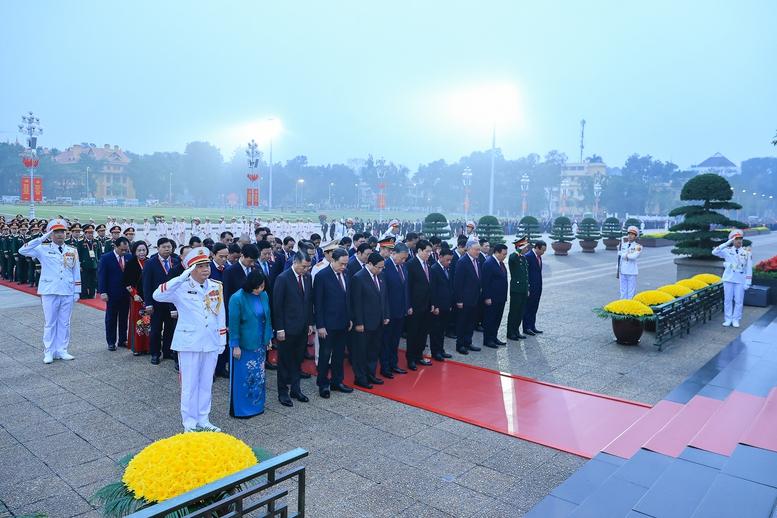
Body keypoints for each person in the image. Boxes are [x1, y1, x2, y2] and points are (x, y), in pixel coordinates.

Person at [153, 246, 225, 432]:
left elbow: (220, 313)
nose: (205, 269)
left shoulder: (216, 286)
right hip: (189, 342)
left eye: (207, 265)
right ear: (190, 269)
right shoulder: (181, 287)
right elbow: (157, 295)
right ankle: (190, 423)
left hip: (210, 340)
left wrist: (222, 339)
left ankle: (204, 419)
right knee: (189, 385)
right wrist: (180, 278)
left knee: (206, 383)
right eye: (200, 266)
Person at [19, 219, 81, 364]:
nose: (60, 235)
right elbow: (22, 250)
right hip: (49, 290)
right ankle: (49, 351)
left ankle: (62, 350)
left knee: (65, 322)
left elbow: (76, 271)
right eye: (56, 232)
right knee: (50, 322)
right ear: (50, 234)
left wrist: (77, 291)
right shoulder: (42, 248)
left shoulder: (72, 250)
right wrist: (41, 238)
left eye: (62, 232)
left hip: (66, 290)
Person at [227, 270, 272, 417]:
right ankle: (242, 409)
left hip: (260, 344)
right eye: (257, 287)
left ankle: (257, 405)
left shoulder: (264, 295)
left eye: (262, 286)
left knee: (259, 376)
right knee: (244, 377)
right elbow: (233, 324)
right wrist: (235, 345)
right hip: (244, 344)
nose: (260, 289)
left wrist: (268, 338)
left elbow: (267, 318)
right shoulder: (237, 298)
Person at [273, 252, 314, 407]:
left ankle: (296, 389)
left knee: (298, 360)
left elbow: (308, 302)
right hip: (287, 328)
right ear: (295, 262)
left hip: (302, 327)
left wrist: (309, 323)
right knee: (284, 361)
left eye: (308, 267)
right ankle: (283, 392)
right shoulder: (283, 278)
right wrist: (279, 329)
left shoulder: (307, 277)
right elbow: (277, 306)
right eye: (304, 266)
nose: (306, 269)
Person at [313, 247, 354, 398]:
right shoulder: (322, 276)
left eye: (346, 264)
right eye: (341, 264)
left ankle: (337, 381)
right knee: (325, 355)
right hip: (327, 325)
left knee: (339, 354)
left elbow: (348, 298)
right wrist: (320, 325)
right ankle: (323, 384)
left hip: (343, 322)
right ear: (333, 260)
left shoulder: (347, 273)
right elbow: (318, 303)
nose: (344, 266)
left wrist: (350, 318)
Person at [218, 244, 260, 378]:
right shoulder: (230, 271)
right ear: (242, 255)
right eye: (250, 261)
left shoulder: (255, 269)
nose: (252, 264)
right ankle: (231, 371)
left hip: (252, 316)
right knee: (234, 346)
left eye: (254, 261)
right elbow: (226, 296)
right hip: (236, 315)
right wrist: (228, 321)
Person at [349, 252, 389, 388]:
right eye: (379, 267)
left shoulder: (381, 276)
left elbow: (384, 297)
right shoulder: (358, 278)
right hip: (364, 323)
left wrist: (386, 315)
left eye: (382, 267)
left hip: (378, 321)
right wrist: (359, 322)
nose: (381, 270)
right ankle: (360, 377)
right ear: (370, 264)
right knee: (361, 351)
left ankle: (370, 374)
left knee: (374, 350)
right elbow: (356, 303)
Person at [143, 237, 181, 365]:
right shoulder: (150, 263)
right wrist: (148, 303)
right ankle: (155, 353)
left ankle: (167, 351)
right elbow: (146, 284)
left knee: (170, 328)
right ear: (158, 248)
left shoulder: (175, 261)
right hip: (156, 303)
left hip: (171, 303)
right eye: (164, 247)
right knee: (156, 329)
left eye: (169, 247)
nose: (167, 249)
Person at [380, 242, 410, 377]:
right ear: (394, 254)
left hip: (401, 310)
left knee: (395, 340)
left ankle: (394, 364)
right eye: (402, 258)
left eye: (405, 258)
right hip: (389, 312)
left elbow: (406, 288)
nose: (403, 261)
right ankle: (385, 367)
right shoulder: (385, 267)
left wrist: (407, 306)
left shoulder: (403, 267)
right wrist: (385, 313)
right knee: (386, 341)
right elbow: (384, 293)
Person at [712, 229, 753, 328]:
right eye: (736, 239)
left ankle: (736, 319)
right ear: (732, 240)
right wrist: (727, 243)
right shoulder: (727, 251)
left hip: (740, 279)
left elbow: (749, 268)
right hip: (729, 279)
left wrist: (748, 282)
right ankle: (728, 319)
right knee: (728, 300)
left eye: (740, 239)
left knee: (739, 301)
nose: (739, 241)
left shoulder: (747, 252)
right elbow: (714, 252)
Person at [98, 236, 132, 351]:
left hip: (126, 294)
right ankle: (111, 342)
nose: (124, 252)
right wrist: (103, 291)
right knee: (111, 318)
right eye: (122, 250)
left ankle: (122, 339)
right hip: (112, 294)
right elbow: (102, 276)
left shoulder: (129, 257)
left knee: (124, 318)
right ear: (116, 247)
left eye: (126, 250)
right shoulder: (106, 258)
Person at [405, 239, 434, 370]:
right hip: (415, 306)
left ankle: (419, 356)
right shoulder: (410, 265)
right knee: (413, 333)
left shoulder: (428, 264)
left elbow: (430, 285)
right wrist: (409, 305)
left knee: (423, 332)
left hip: (426, 305)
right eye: (427, 251)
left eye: (430, 252)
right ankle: (410, 359)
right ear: (419, 250)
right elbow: (408, 287)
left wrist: (432, 303)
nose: (429, 254)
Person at [454, 238, 483, 355]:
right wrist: (459, 300)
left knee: (471, 322)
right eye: (476, 250)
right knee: (462, 322)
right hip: (465, 299)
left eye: (479, 250)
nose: (478, 252)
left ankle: (468, 342)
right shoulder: (462, 262)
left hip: (475, 298)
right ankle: (460, 345)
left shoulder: (477, 260)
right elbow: (458, 283)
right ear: (469, 249)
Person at [123, 240, 150, 356]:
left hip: (148, 297)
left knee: (148, 322)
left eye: (144, 250)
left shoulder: (150, 262)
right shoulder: (131, 263)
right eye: (139, 250)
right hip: (137, 298)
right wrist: (134, 294)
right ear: (134, 251)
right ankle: (138, 348)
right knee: (138, 322)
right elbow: (127, 282)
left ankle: (148, 347)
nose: (142, 252)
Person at [481, 243, 509, 348]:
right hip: (492, 298)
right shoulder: (489, 263)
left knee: (497, 319)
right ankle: (488, 340)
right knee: (490, 319)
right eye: (503, 254)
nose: (505, 256)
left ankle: (494, 337)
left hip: (501, 297)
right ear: (497, 252)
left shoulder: (500, 263)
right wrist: (487, 297)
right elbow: (485, 282)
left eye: (506, 254)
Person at [429, 248, 454, 361]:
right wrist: (435, 305)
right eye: (447, 260)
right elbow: (433, 289)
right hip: (438, 306)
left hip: (446, 304)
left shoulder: (448, 268)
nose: (449, 262)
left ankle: (441, 349)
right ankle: (435, 352)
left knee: (442, 329)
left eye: (450, 260)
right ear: (440, 257)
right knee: (436, 330)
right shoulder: (434, 269)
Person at [507, 237, 530, 340]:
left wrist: (527, 289)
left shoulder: (523, 258)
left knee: (520, 312)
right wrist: (518, 249)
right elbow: (512, 258)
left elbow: (526, 275)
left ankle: (516, 330)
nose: (527, 249)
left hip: (523, 289)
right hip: (516, 289)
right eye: (525, 247)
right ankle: (510, 332)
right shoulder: (514, 257)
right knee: (514, 312)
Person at [523, 240, 546, 336]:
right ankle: (526, 327)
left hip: (538, 287)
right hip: (530, 287)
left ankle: (532, 326)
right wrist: (527, 288)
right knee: (528, 307)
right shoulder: (528, 256)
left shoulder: (539, 257)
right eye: (542, 250)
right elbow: (525, 274)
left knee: (534, 307)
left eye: (544, 250)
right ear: (536, 247)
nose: (543, 252)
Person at [618, 226, 642, 299]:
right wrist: (618, 267)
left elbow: (634, 256)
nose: (630, 236)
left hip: (631, 271)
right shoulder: (623, 245)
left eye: (632, 234)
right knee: (623, 290)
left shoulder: (638, 246)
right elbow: (619, 258)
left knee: (631, 290)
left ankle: (630, 303)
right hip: (622, 270)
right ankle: (623, 303)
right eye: (629, 234)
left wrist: (623, 255)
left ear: (635, 236)